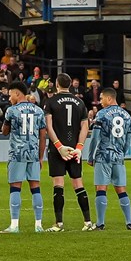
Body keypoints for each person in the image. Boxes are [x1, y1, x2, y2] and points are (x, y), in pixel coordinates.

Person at [44, 73, 92, 231]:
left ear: (57, 84)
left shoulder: (51, 102)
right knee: (78, 184)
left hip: (59, 149)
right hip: (74, 149)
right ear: (70, 84)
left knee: (58, 184)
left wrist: (59, 146)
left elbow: (48, 126)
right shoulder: (80, 102)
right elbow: (85, 127)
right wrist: (79, 148)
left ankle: (59, 223)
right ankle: (88, 222)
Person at [86, 88, 131, 230]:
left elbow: (95, 138)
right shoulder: (126, 116)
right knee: (121, 189)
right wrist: (121, 153)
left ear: (109, 98)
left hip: (103, 156)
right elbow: (127, 141)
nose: (100, 102)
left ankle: (100, 223)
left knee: (101, 189)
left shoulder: (101, 114)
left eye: (101, 98)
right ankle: (129, 222)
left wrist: (91, 156)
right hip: (118, 157)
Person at [2, 83, 47, 233]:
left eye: (10, 95)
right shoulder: (39, 111)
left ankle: (14, 225)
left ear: (17, 94)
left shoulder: (11, 111)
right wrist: (40, 157)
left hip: (17, 153)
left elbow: (4, 131)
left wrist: (7, 124)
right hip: (33, 154)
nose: (9, 98)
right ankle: (38, 225)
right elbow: (42, 136)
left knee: (15, 188)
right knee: (36, 188)